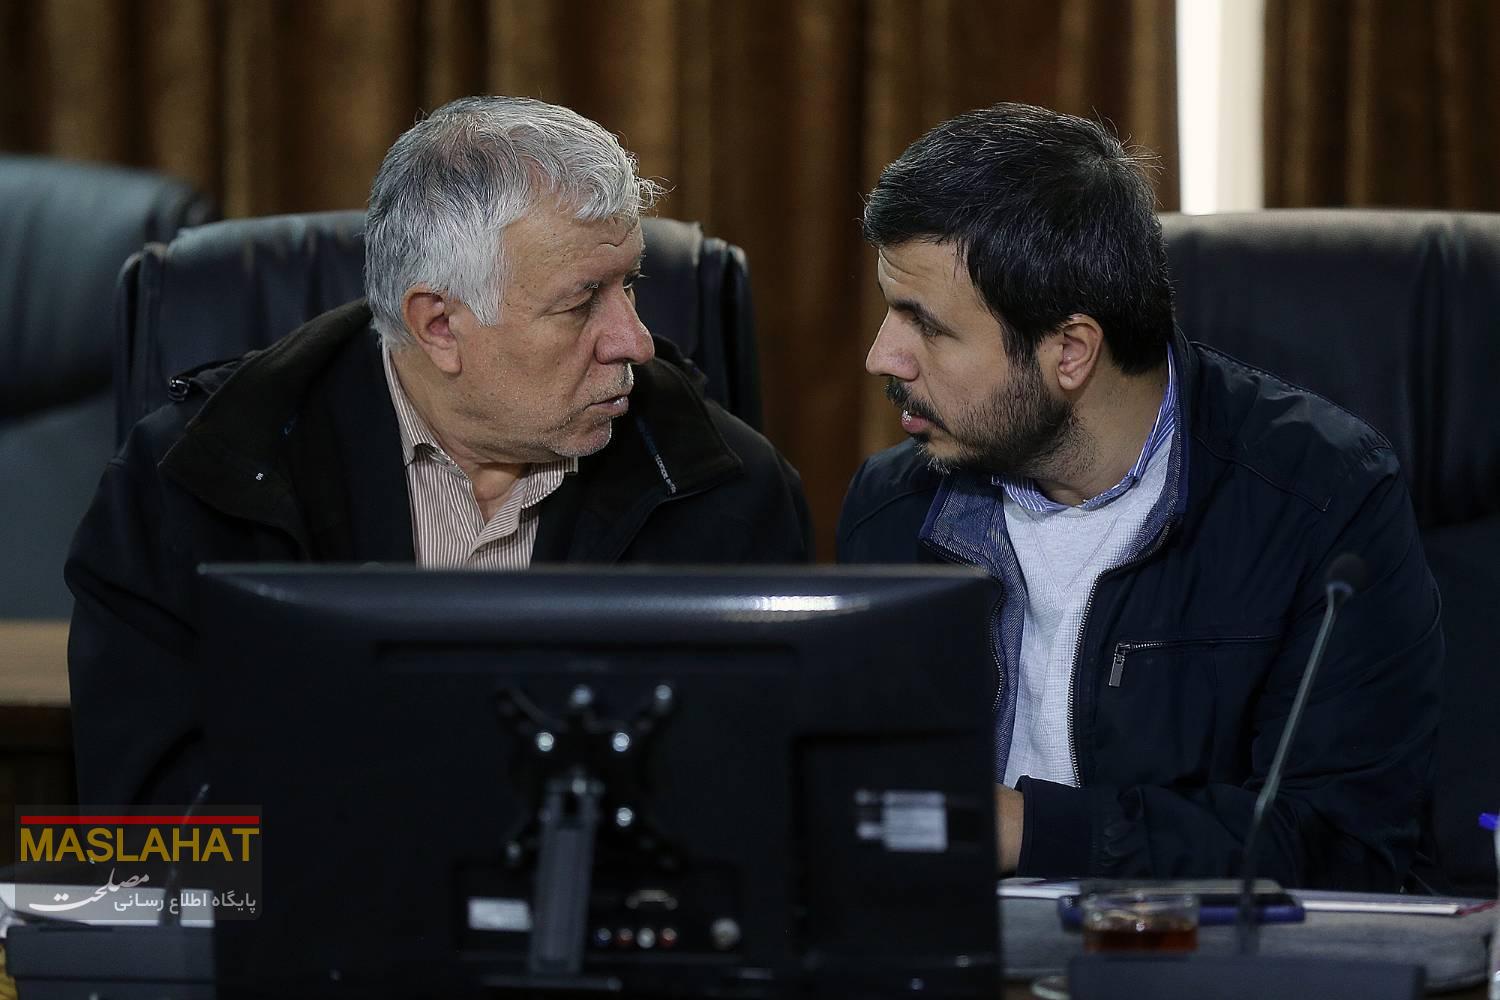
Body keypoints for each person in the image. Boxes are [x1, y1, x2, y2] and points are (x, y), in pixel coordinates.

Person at [67, 96, 811, 806]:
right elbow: (153, 828)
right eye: (582, 301)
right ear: (440, 326)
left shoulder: (726, 486)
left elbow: (752, 806)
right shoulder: (192, 480)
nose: (634, 341)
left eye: (630, 285)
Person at [838, 103, 1440, 890]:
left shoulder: (1324, 501)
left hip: (1200, 950)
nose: (882, 355)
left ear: (1070, 351)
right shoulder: (896, 506)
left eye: (924, 324)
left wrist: (1031, 830)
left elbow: (1344, 844)